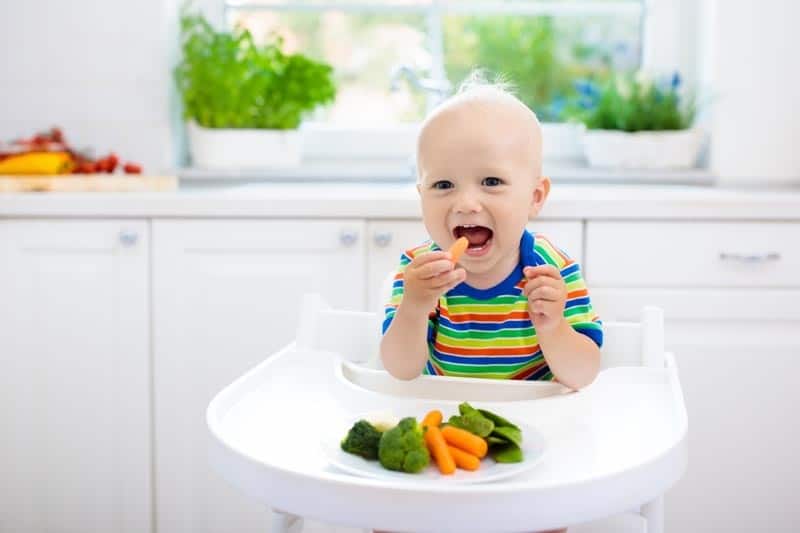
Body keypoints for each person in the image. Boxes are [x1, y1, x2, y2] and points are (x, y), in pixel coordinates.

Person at [379, 77, 603, 532]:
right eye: (443, 184)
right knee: (387, 518)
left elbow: (583, 373)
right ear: (421, 196)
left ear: (535, 197)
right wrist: (415, 306)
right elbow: (400, 369)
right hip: (444, 439)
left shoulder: (552, 272)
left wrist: (554, 327)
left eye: (492, 181)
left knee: (546, 519)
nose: (466, 202)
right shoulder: (418, 272)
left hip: (534, 444)